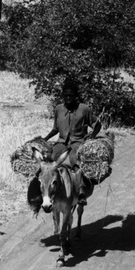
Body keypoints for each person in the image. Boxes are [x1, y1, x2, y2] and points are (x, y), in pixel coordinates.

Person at [43, 76, 100, 205]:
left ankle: (80, 190)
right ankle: (45, 191)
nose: (68, 98)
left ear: (76, 96)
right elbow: (56, 129)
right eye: (66, 95)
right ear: (63, 95)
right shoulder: (58, 109)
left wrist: (92, 136)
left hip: (77, 142)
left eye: (71, 95)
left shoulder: (84, 109)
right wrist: (45, 139)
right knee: (49, 159)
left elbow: (97, 124)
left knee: (75, 159)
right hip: (61, 142)